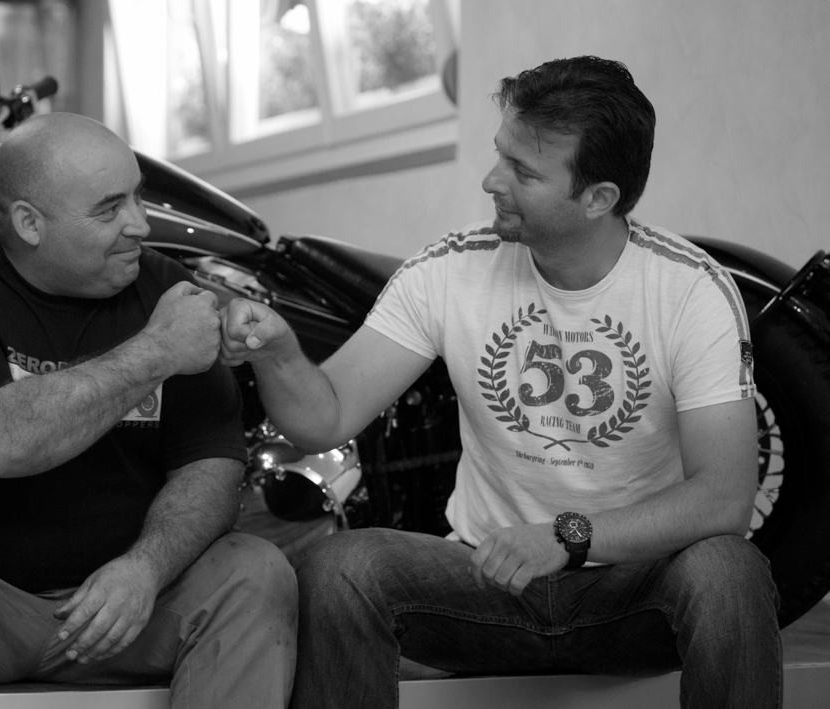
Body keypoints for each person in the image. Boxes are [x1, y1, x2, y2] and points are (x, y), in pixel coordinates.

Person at [219, 56, 780, 709]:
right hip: (486, 585)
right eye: (499, 155)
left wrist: (566, 537)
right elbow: (327, 416)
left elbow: (723, 497)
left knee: (729, 571)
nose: (492, 180)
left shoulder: (689, 290)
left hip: (633, 593)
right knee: (337, 568)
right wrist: (279, 352)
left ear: (597, 198)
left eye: (523, 171)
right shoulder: (449, 269)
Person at [0, 112, 298, 709]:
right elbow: (1, 444)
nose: (141, 224)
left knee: (255, 569)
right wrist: (156, 353)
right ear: (29, 223)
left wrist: (145, 569)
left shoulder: (166, 290)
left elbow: (210, 465)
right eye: (110, 209)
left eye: (138, 197)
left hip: (130, 601)